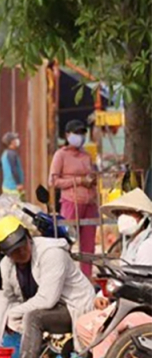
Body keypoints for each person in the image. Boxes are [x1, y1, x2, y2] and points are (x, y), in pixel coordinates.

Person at [0, 215, 95, 358]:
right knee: (19, 320)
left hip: (75, 307)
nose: (21, 252)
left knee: (32, 317)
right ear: (6, 254)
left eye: (22, 245)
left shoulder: (51, 253)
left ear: (28, 237)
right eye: (14, 251)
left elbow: (47, 298)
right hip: (51, 310)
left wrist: (15, 313)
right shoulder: (5, 268)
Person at [76, 189, 152, 358]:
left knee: (106, 329)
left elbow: (138, 285)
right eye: (120, 214)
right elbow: (122, 276)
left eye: (127, 213)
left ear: (141, 216)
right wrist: (102, 295)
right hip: (129, 304)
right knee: (83, 324)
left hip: (144, 308)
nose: (123, 217)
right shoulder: (130, 244)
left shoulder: (149, 245)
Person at [50, 119, 98, 277]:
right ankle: (63, 278)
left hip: (89, 203)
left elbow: (92, 176)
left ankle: (87, 278)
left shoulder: (86, 155)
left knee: (88, 246)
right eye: (76, 133)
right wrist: (78, 181)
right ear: (67, 135)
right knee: (66, 242)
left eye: (82, 133)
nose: (80, 137)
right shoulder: (60, 155)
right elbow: (53, 181)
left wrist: (92, 179)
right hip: (71, 202)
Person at [0, 132, 25, 199]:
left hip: (7, 186)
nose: (17, 140)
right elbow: (14, 169)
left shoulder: (5, 153)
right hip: (13, 187)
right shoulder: (11, 154)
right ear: (11, 142)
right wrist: (18, 183)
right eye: (15, 139)